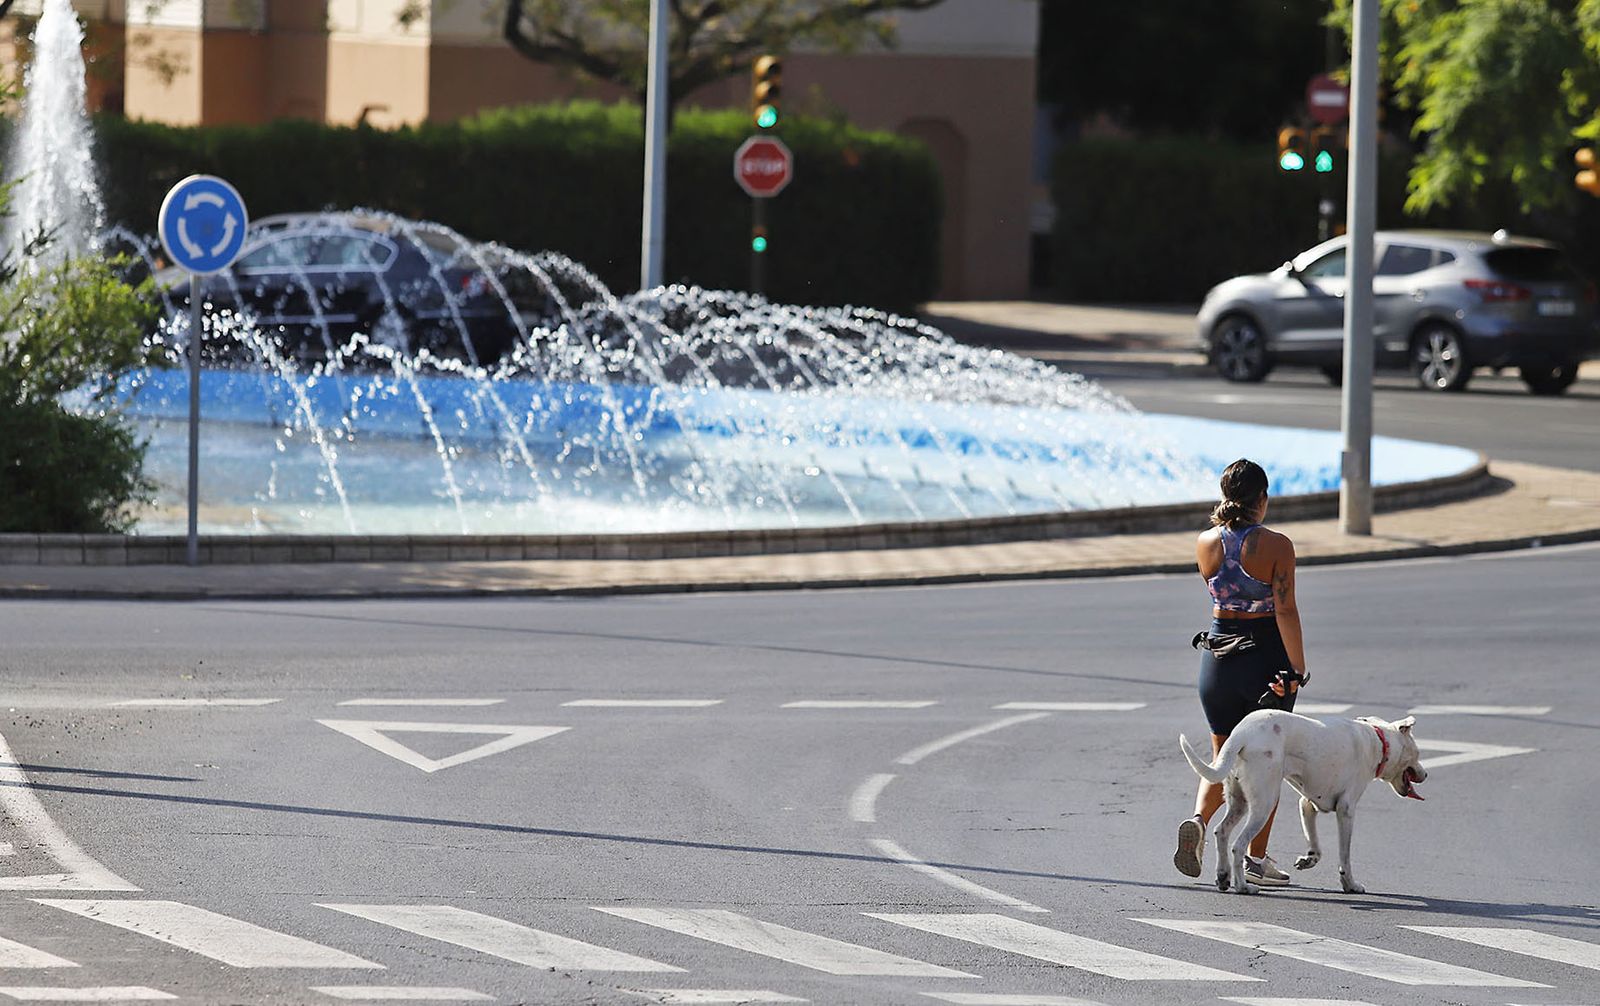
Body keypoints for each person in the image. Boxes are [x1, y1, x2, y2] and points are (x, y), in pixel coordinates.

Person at [1173, 458, 1307, 888]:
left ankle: (1197, 820)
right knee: (1267, 764)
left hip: (1216, 662)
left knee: (1222, 758)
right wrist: (1297, 669)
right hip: (1264, 660)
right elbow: (1284, 608)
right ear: (1262, 499)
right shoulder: (1276, 545)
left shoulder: (1205, 542)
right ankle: (1256, 858)